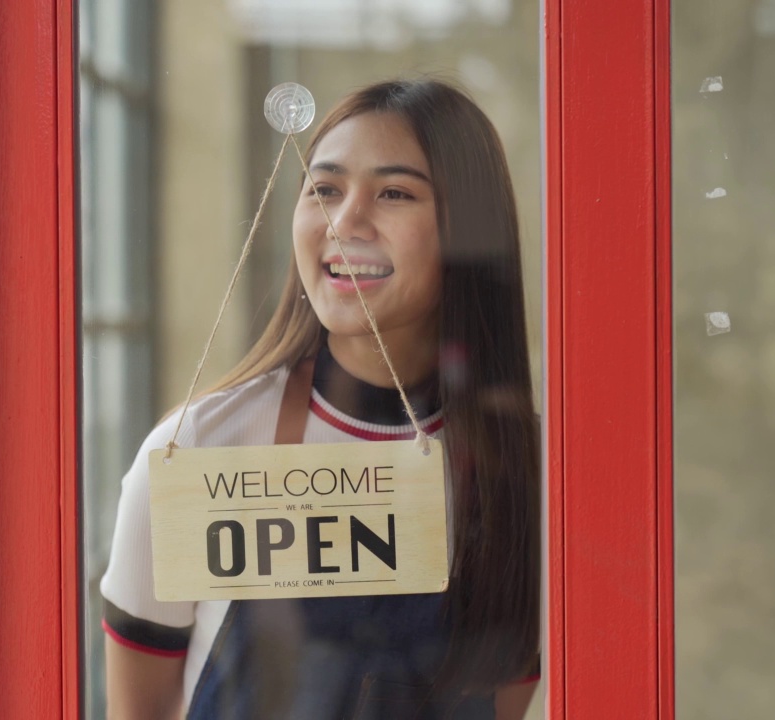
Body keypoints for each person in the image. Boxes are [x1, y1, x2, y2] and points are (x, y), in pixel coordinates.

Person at [100, 79, 541, 719]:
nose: (345, 221)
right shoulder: (196, 452)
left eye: (394, 193)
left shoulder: (531, 470)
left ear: (469, 227)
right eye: (324, 189)